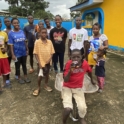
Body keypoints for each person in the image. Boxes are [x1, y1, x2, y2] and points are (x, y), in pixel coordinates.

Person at [62, 49, 95, 124]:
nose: (76, 59)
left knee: (82, 107)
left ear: (82, 57)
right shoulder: (68, 64)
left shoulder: (85, 64)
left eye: (78, 57)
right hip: (67, 87)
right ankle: (63, 122)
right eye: (73, 57)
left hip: (78, 87)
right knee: (68, 109)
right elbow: (66, 80)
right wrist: (71, 70)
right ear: (70, 57)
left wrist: (92, 81)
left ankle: (81, 118)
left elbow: (89, 71)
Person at [33, 28, 55, 96]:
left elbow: (52, 52)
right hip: (41, 62)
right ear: (39, 34)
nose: (44, 34)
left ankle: (46, 85)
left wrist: (49, 59)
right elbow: (36, 53)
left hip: (48, 61)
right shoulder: (37, 42)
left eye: (45, 33)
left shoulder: (49, 42)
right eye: (42, 33)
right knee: (40, 75)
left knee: (47, 73)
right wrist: (39, 63)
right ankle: (38, 87)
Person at [8, 18, 31, 84]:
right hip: (17, 53)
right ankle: (19, 78)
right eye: (14, 23)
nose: (16, 24)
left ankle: (26, 77)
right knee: (17, 66)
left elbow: (24, 41)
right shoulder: (11, 33)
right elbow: (11, 45)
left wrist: (27, 49)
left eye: (17, 23)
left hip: (23, 52)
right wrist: (12, 54)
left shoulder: (22, 32)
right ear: (12, 24)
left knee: (24, 65)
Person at [0, 18, 11, 92]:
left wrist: (6, 49)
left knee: (4, 71)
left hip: (3, 56)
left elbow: (6, 44)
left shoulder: (4, 34)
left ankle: (4, 83)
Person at [3, 17, 13, 85]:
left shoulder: (13, 30)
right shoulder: (4, 31)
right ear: (4, 23)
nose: (7, 23)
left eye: (8, 21)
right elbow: (2, 42)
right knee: (8, 65)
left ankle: (17, 75)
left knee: (17, 63)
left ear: (10, 22)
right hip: (7, 51)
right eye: (6, 22)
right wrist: (5, 48)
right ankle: (7, 78)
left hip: (15, 49)